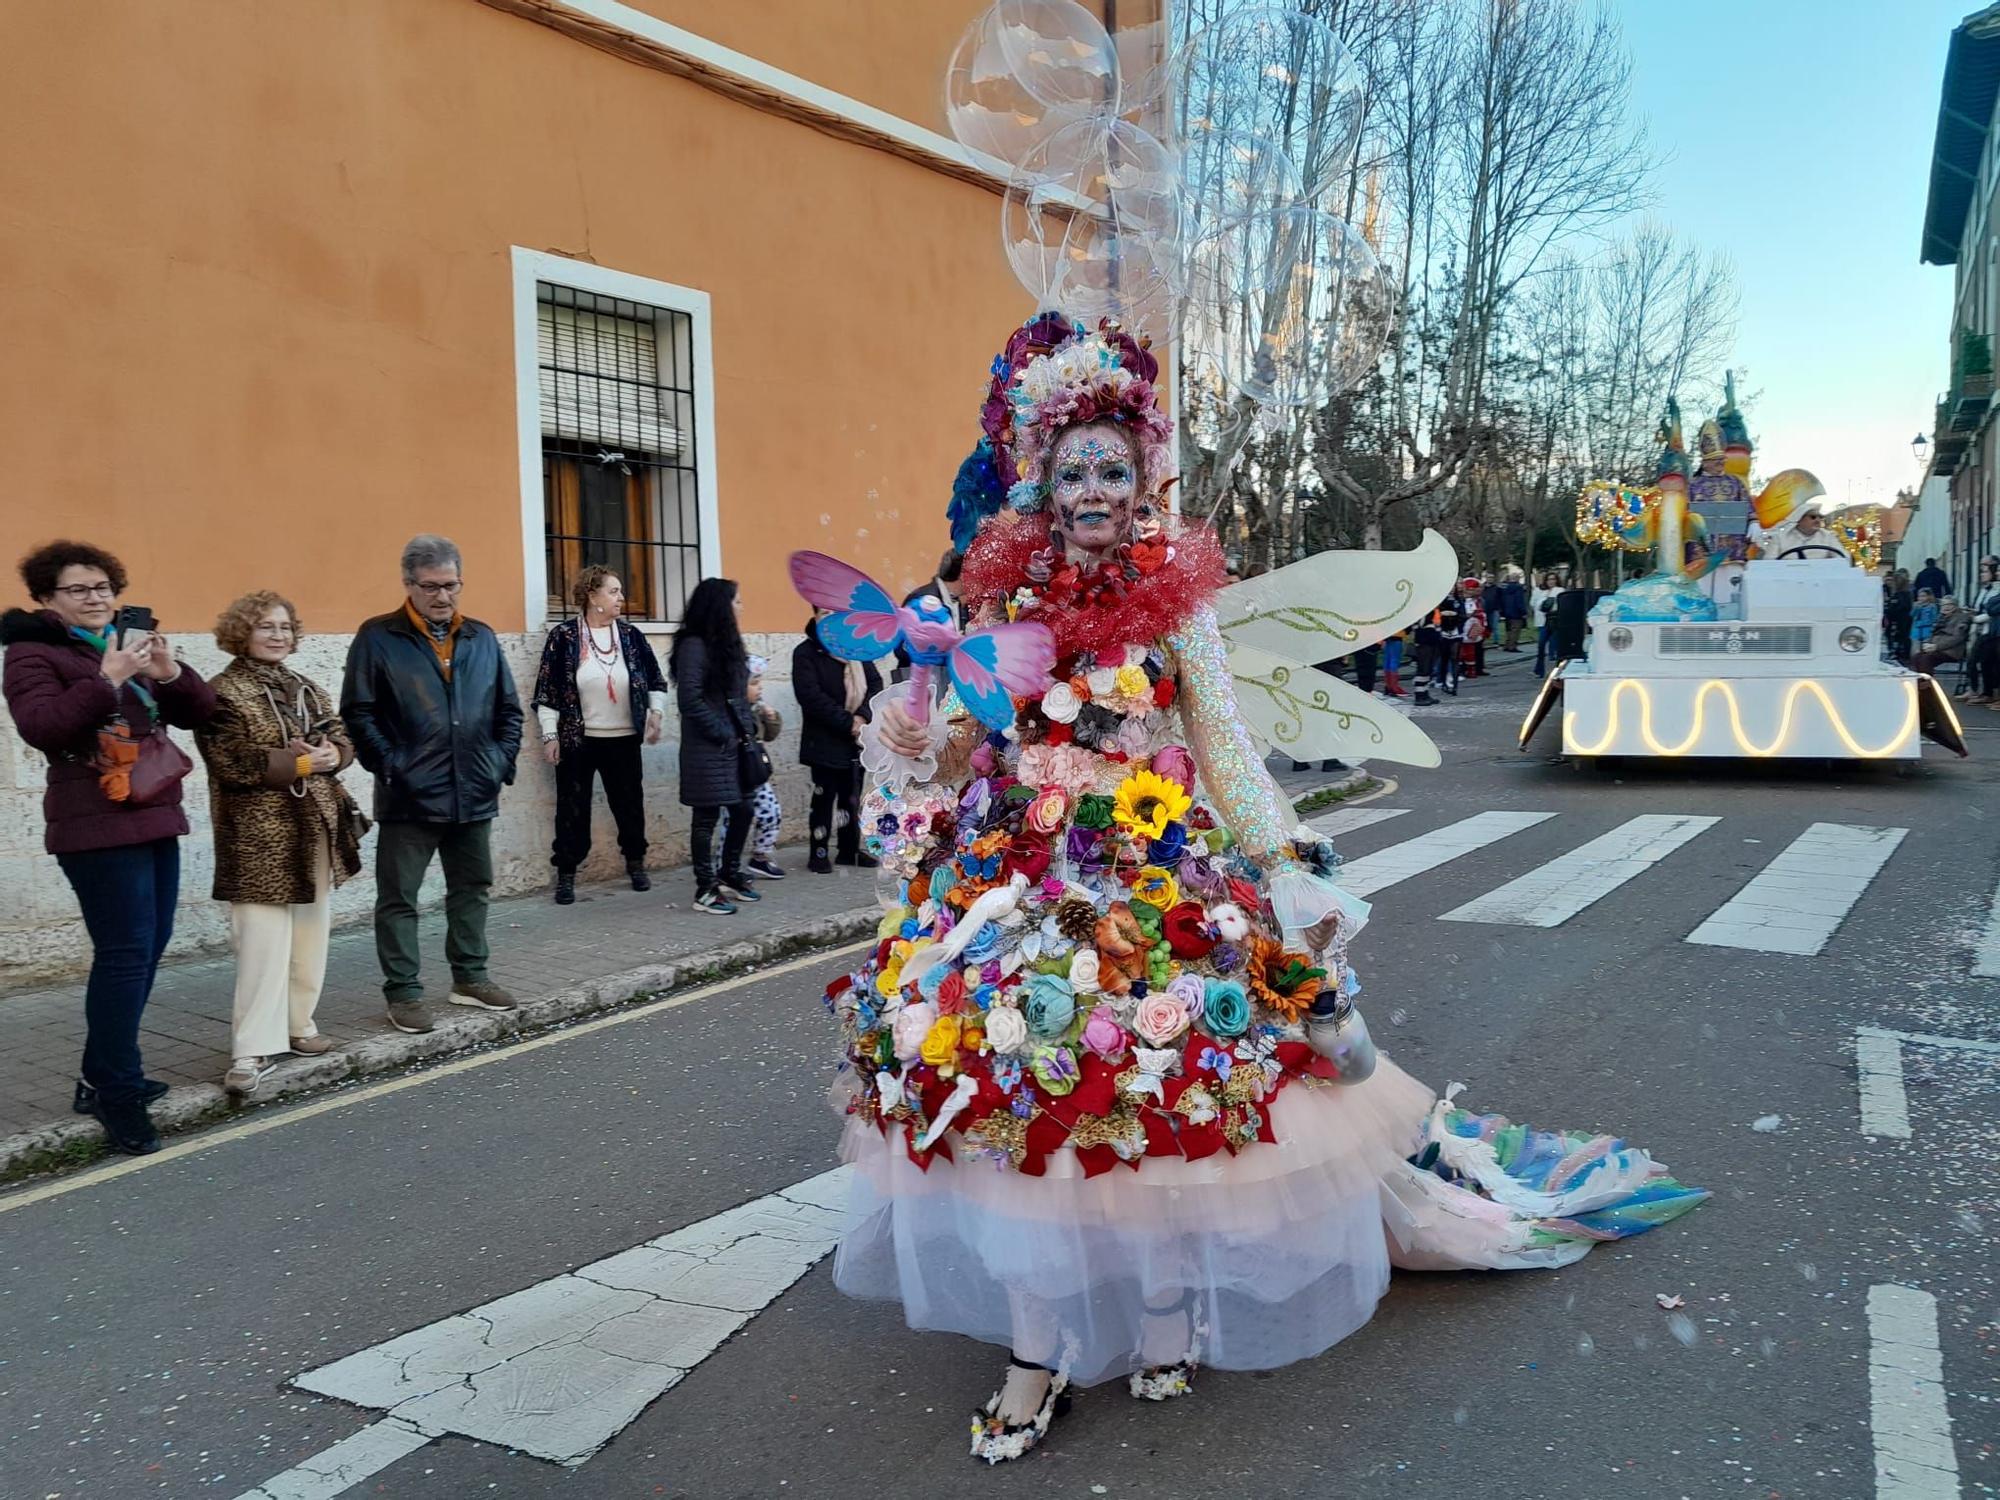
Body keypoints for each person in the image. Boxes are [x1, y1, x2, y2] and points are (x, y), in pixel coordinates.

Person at [836, 317, 1705, 1462]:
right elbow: (959, 743)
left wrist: (1286, 859)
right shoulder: (1004, 607)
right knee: (1021, 1108)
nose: (1093, 489)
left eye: (1113, 468)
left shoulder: (1175, 602)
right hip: (1016, 881)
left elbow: (1226, 751)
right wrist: (911, 717)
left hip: (1149, 873)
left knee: (1158, 1100)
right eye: (1071, 470)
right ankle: (1035, 1350)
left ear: (1140, 478)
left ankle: (1154, 1315)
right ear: (1039, 482)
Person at [2, 540, 218, 1153]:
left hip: (152, 811)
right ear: (47, 598)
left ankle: (100, 1077)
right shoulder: (31, 652)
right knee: (123, 955)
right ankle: (118, 1093)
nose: (95, 598)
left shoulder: (130, 644)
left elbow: (205, 712)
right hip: (91, 821)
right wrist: (107, 679)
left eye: (102, 587)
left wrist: (167, 672)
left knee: (147, 949)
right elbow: (41, 727)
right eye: (79, 589)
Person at [341, 535, 522, 1034]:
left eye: (451, 585)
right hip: (409, 797)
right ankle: (403, 992)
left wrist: (498, 761)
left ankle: (470, 977)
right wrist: (392, 765)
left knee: (473, 889)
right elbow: (358, 712)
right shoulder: (377, 637)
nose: (443, 596)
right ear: (408, 585)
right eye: (431, 587)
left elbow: (508, 709)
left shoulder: (480, 637)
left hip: (474, 791)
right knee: (399, 898)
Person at [195, 591, 365, 1098]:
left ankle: (298, 1024)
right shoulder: (221, 692)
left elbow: (342, 739)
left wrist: (336, 753)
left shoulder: (305, 686)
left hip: (316, 825)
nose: (277, 635)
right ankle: (250, 1048)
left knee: (311, 932)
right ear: (241, 632)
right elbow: (232, 762)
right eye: (266, 626)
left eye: (285, 627)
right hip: (258, 837)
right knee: (262, 943)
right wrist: (307, 763)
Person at [531, 565, 667, 906]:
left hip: (623, 738)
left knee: (630, 805)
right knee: (571, 808)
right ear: (593, 596)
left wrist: (656, 713)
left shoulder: (631, 637)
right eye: (614, 591)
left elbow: (655, 680)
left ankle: (635, 864)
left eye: (620, 591)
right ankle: (566, 874)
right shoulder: (564, 637)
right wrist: (550, 735)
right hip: (579, 739)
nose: (621, 598)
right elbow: (547, 692)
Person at [668, 576, 764, 915]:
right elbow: (690, 700)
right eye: (735, 601)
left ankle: (730, 871)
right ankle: (705, 888)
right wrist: (723, 731)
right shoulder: (694, 645)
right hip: (708, 747)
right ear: (720, 606)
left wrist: (747, 725)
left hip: (736, 743)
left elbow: (736, 694)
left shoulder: (727, 643)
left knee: (744, 808)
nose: (740, 606)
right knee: (705, 817)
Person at [792, 611, 882, 873]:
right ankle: (818, 851)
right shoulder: (806, 653)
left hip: (855, 739)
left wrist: (863, 716)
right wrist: (847, 722)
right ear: (816, 616)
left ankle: (849, 850)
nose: (830, 618)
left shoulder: (856, 649)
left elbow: (875, 683)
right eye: (824, 613)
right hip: (824, 737)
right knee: (823, 796)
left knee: (850, 797)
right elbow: (810, 696)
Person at [720, 655, 789, 881]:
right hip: (735, 776)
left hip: (755, 774)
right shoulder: (731, 711)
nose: (759, 688)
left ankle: (760, 857)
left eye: (760, 683)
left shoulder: (755, 710)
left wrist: (771, 718)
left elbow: (769, 735)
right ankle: (725, 866)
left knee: (772, 813)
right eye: (754, 683)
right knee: (731, 822)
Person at [895, 549, 964, 686]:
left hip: (943, 678)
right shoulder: (922, 600)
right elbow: (901, 646)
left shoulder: (958, 601)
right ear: (962, 575)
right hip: (920, 680)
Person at [1964, 557, 2000, 704]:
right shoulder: (1986, 589)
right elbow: (1986, 607)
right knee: (1983, 661)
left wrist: (1975, 618)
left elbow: (1991, 609)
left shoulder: (1995, 589)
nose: (1981, 574)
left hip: (1990, 630)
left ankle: (1989, 693)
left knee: (1987, 661)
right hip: (1985, 630)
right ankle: (1983, 692)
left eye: (1985, 571)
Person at [1909, 595, 1971, 677]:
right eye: (1944, 605)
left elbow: (1957, 638)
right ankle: (1920, 682)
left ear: (1955, 606)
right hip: (1935, 649)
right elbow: (1932, 633)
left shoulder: (1962, 617)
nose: (1946, 607)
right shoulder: (1940, 617)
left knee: (1926, 659)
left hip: (1950, 650)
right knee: (1916, 657)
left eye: (1949, 604)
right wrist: (1926, 643)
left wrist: (1936, 646)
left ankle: (1927, 685)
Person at [1530, 572, 1560, 676]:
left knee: (1557, 646)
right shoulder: (1540, 591)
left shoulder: (1560, 591)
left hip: (1555, 621)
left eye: (1553, 579)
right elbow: (1536, 605)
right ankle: (1539, 670)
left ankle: (1558, 670)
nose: (1551, 581)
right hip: (1543, 621)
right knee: (1541, 645)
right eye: (1549, 579)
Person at [1883, 570, 1914, 662]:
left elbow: (1900, 607)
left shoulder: (1901, 594)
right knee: (1902, 636)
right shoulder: (1906, 593)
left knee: (1900, 636)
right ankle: (1901, 653)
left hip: (1900, 619)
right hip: (1903, 619)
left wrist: (1889, 610)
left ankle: (1900, 653)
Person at [1499, 572, 1529, 651]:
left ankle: (1507, 645)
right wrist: (1524, 612)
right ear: (1517, 578)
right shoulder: (1519, 588)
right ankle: (1512, 646)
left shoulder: (1505, 588)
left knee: (1509, 630)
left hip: (1507, 612)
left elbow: (1502, 600)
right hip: (1516, 612)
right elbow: (1520, 601)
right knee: (1516, 630)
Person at [1911, 589, 1939, 658]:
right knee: (1915, 650)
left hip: (1927, 631)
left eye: (1923, 596)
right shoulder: (1916, 605)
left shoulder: (1932, 607)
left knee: (1925, 650)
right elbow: (1912, 615)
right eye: (1919, 596)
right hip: (1916, 631)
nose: (1921, 598)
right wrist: (1916, 608)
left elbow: (1934, 619)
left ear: (1928, 597)